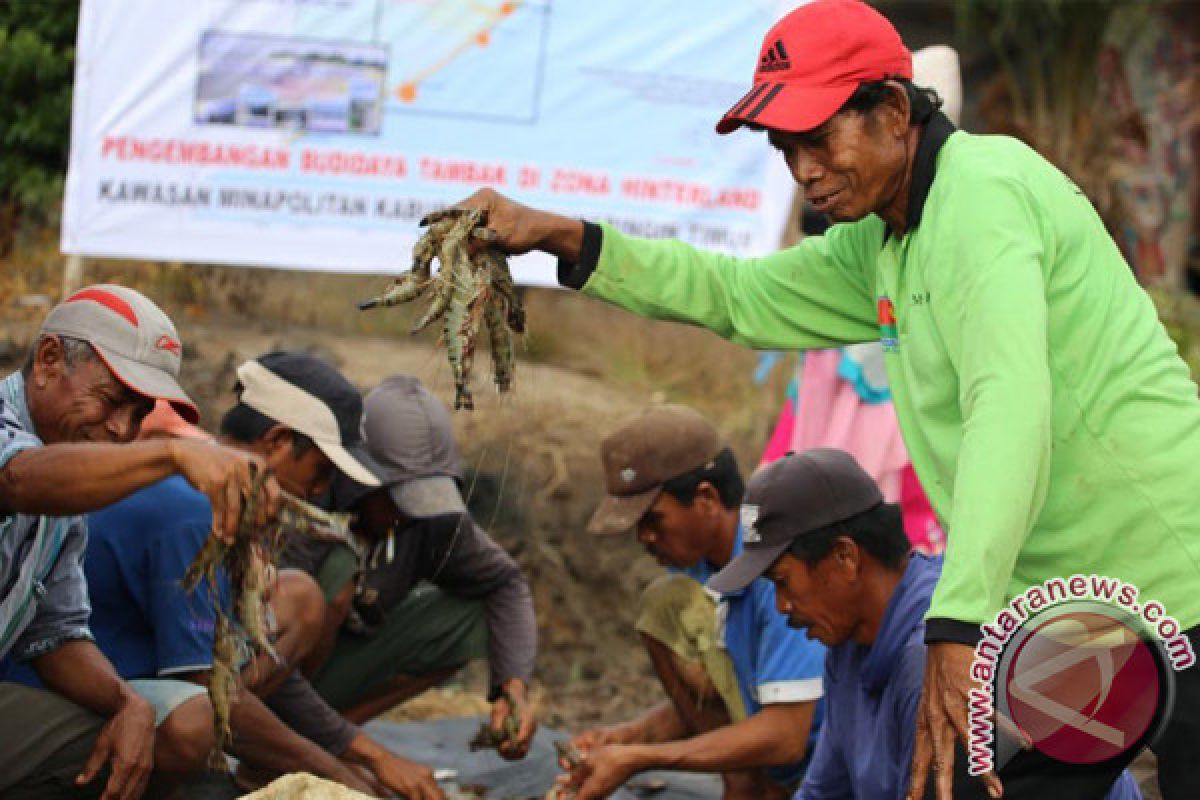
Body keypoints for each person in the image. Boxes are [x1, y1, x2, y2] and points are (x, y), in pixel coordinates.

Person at [440, 0, 1200, 795]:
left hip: (1170, 583)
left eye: (820, 137)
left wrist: (959, 621)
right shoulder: (885, 240)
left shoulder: (982, 199)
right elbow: (733, 293)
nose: (803, 169)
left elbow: (1007, 410)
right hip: (1064, 606)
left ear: (895, 111)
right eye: (785, 146)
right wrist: (561, 234)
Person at [40, 352, 444, 800]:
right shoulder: (191, 508)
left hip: (137, 671)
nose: (320, 492)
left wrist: (358, 758)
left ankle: (231, 754)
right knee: (198, 716)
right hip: (72, 690)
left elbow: (248, 663)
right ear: (277, 442)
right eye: (321, 472)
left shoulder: (215, 505)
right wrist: (338, 775)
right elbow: (208, 687)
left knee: (296, 599)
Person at [708, 449, 1142, 800]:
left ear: (845, 557)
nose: (782, 606)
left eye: (783, 583)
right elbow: (824, 789)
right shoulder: (846, 647)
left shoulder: (934, 659)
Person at [0, 285, 277, 799]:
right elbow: (18, 480)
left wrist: (125, 702)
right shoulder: (25, 451)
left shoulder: (68, 476)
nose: (122, 428)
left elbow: (53, 635)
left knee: (161, 731)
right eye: (109, 401)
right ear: (49, 359)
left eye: (138, 412)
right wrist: (171, 456)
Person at [559, 405, 825, 800]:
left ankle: (752, 784)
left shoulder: (778, 566)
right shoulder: (696, 570)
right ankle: (743, 780)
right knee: (663, 607)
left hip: (828, 769)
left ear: (706, 498)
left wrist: (640, 758)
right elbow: (728, 696)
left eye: (654, 521)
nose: (644, 539)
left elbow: (786, 736)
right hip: (779, 758)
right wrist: (630, 737)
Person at [302, 374, 538, 765]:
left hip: (339, 671)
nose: (404, 516)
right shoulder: (311, 500)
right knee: (337, 574)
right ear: (361, 476)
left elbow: (505, 583)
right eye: (397, 499)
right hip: (272, 679)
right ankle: (297, 740)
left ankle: (330, 737)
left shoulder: (430, 523)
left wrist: (513, 689)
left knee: (471, 615)